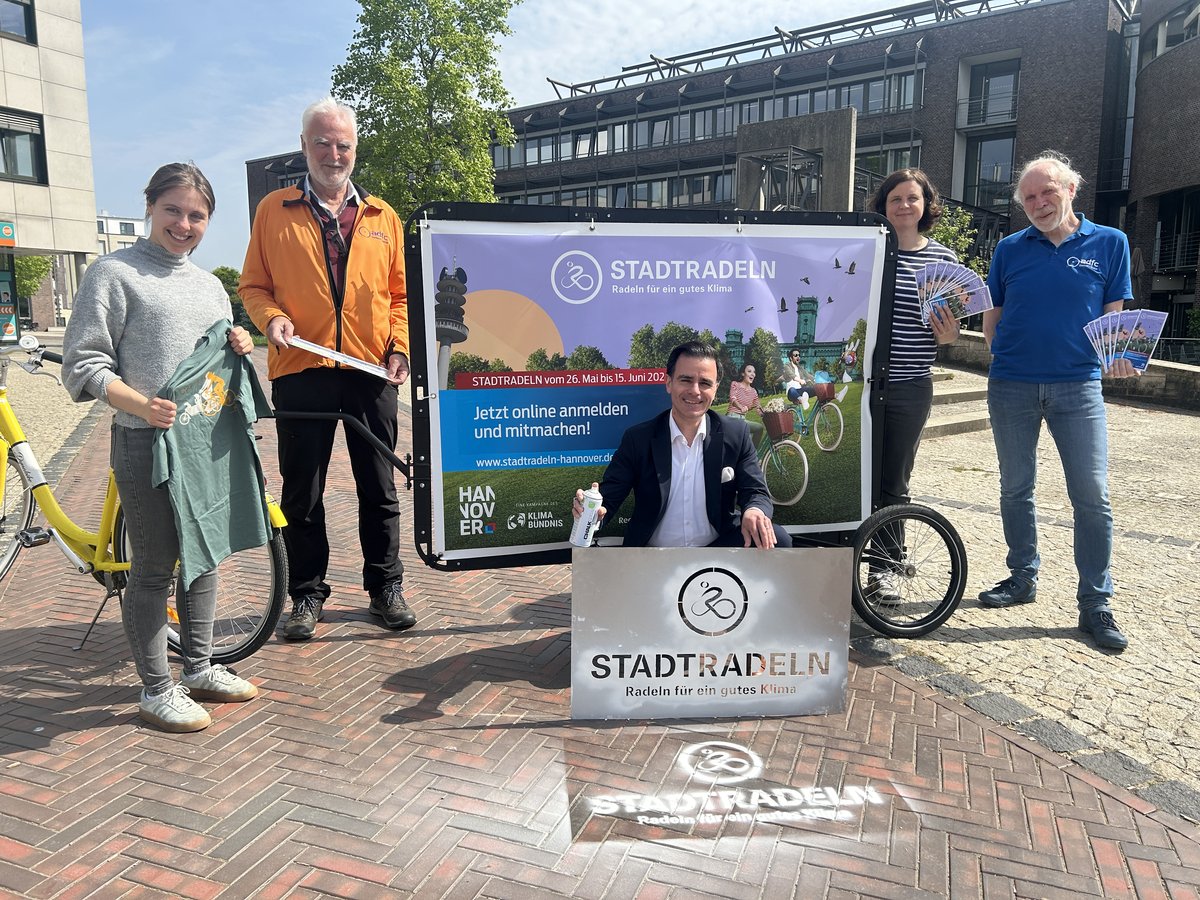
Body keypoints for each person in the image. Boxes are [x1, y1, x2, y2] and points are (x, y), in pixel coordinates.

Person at [62, 163, 258, 733]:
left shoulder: (209, 286)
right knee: (153, 569)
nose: (184, 223)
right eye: (173, 209)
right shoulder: (112, 273)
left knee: (205, 557)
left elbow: (216, 359)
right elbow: (84, 364)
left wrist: (238, 340)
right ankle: (156, 688)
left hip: (203, 447)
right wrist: (140, 404)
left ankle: (198, 667)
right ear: (150, 206)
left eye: (197, 215)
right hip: (145, 444)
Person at [240, 97, 412, 641]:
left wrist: (399, 347)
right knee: (302, 491)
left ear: (354, 150)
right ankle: (306, 596)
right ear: (304, 146)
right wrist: (271, 320)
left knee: (378, 487)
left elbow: (400, 297)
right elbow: (253, 286)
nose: (333, 153)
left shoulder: (383, 217)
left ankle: (385, 587)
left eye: (343, 144)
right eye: (322, 142)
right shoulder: (274, 210)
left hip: (368, 371)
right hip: (300, 367)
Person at [980, 151, 1138, 651]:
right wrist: (1002, 354)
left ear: (1071, 189)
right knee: (1015, 487)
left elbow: (1114, 320)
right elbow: (993, 316)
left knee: (1092, 496)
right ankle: (1022, 576)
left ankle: (1096, 602)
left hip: (1079, 386)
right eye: (1028, 197)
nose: (1038, 202)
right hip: (1011, 384)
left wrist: (1118, 358)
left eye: (1047, 191)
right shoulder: (1008, 248)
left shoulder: (1111, 243)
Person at [573, 342, 791, 549]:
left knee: (778, 538)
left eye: (705, 383)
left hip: (717, 549)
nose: (695, 391)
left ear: (716, 389)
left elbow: (756, 491)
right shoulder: (637, 438)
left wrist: (753, 510)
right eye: (686, 380)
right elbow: (609, 496)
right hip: (654, 554)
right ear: (669, 383)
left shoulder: (736, 434)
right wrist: (595, 512)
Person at [868, 169, 960, 512]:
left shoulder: (943, 260)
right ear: (884, 205)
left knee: (895, 480)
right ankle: (849, 556)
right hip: (864, 383)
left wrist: (948, 333)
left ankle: (887, 560)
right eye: (895, 199)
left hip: (910, 386)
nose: (904, 205)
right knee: (860, 477)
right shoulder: (866, 253)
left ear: (926, 205)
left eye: (912, 198)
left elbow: (949, 336)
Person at [727, 362, 765, 444]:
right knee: (747, 438)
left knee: (759, 428)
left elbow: (758, 407)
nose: (752, 374)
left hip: (743, 420)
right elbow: (732, 399)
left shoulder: (753, 391)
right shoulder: (735, 384)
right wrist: (741, 407)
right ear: (743, 373)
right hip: (732, 418)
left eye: (754, 372)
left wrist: (766, 413)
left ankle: (752, 454)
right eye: (749, 371)